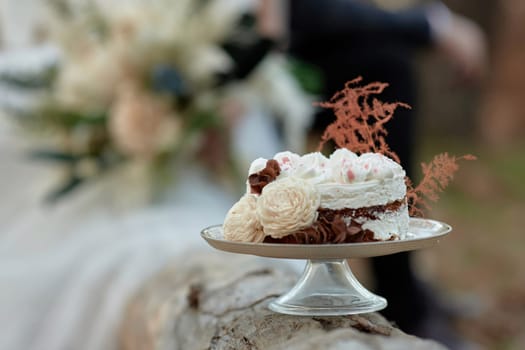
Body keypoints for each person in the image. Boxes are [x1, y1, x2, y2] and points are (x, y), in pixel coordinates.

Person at [259, 0, 486, 347]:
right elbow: (308, 16)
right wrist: (429, 25)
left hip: (263, 64)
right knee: (381, 61)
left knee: (383, 65)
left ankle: (400, 284)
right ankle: (400, 295)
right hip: (229, 86)